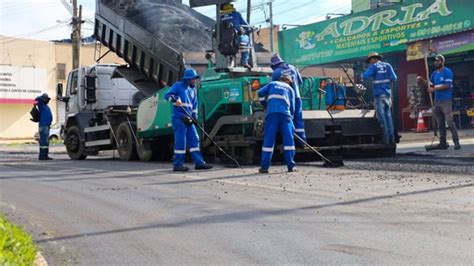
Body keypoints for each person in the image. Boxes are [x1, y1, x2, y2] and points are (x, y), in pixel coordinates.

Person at [164, 68, 213, 172]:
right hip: (179, 118)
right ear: (187, 79)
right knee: (181, 141)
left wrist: (194, 117)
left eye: (195, 79)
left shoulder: (193, 90)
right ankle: (178, 165)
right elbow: (167, 96)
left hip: (189, 118)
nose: (194, 81)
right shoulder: (177, 86)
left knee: (194, 139)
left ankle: (199, 163)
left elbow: (194, 105)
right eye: (192, 79)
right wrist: (174, 99)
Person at [417, 54, 461, 150]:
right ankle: (442, 143)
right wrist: (422, 80)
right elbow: (430, 85)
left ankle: (456, 142)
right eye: (435, 61)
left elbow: (447, 85)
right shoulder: (434, 73)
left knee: (449, 122)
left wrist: (434, 89)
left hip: (446, 101)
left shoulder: (447, 72)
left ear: (442, 61)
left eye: (437, 60)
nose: (436, 62)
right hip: (437, 101)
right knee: (440, 123)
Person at [257, 74, 296, 173]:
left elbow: (260, 92)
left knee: (269, 141)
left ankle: (264, 167)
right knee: (289, 141)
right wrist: (291, 118)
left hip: (272, 114)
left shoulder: (272, 84)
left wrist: (264, 104)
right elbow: (293, 107)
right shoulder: (290, 89)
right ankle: (291, 166)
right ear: (288, 81)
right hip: (285, 115)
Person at [361, 52, 398, 145]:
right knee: (388, 118)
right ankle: (392, 139)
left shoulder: (374, 66)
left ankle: (385, 140)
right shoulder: (388, 65)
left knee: (381, 119)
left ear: (373, 59)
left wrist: (362, 74)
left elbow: (365, 75)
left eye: (370, 61)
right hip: (387, 95)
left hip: (378, 95)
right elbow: (394, 78)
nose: (370, 63)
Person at [270, 54, 306, 144]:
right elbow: (300, 82)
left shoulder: (276, 73)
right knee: (298, 119)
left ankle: (289, 142)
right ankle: (302, 141)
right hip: (297, 97)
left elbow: (274, 88)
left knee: (288, 120)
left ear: (274, 65)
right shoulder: (293, 68)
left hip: (286, 99)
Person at [35, 93, 53, 160]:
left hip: (46, 126)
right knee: (44, 142)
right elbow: (37, 99)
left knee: (45, 142)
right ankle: (43, 156)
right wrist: (41, 97)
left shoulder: (45, 106)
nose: (47, 100)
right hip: (43, 126)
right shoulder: (41, 105)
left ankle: (43, 155)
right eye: (46, 99)